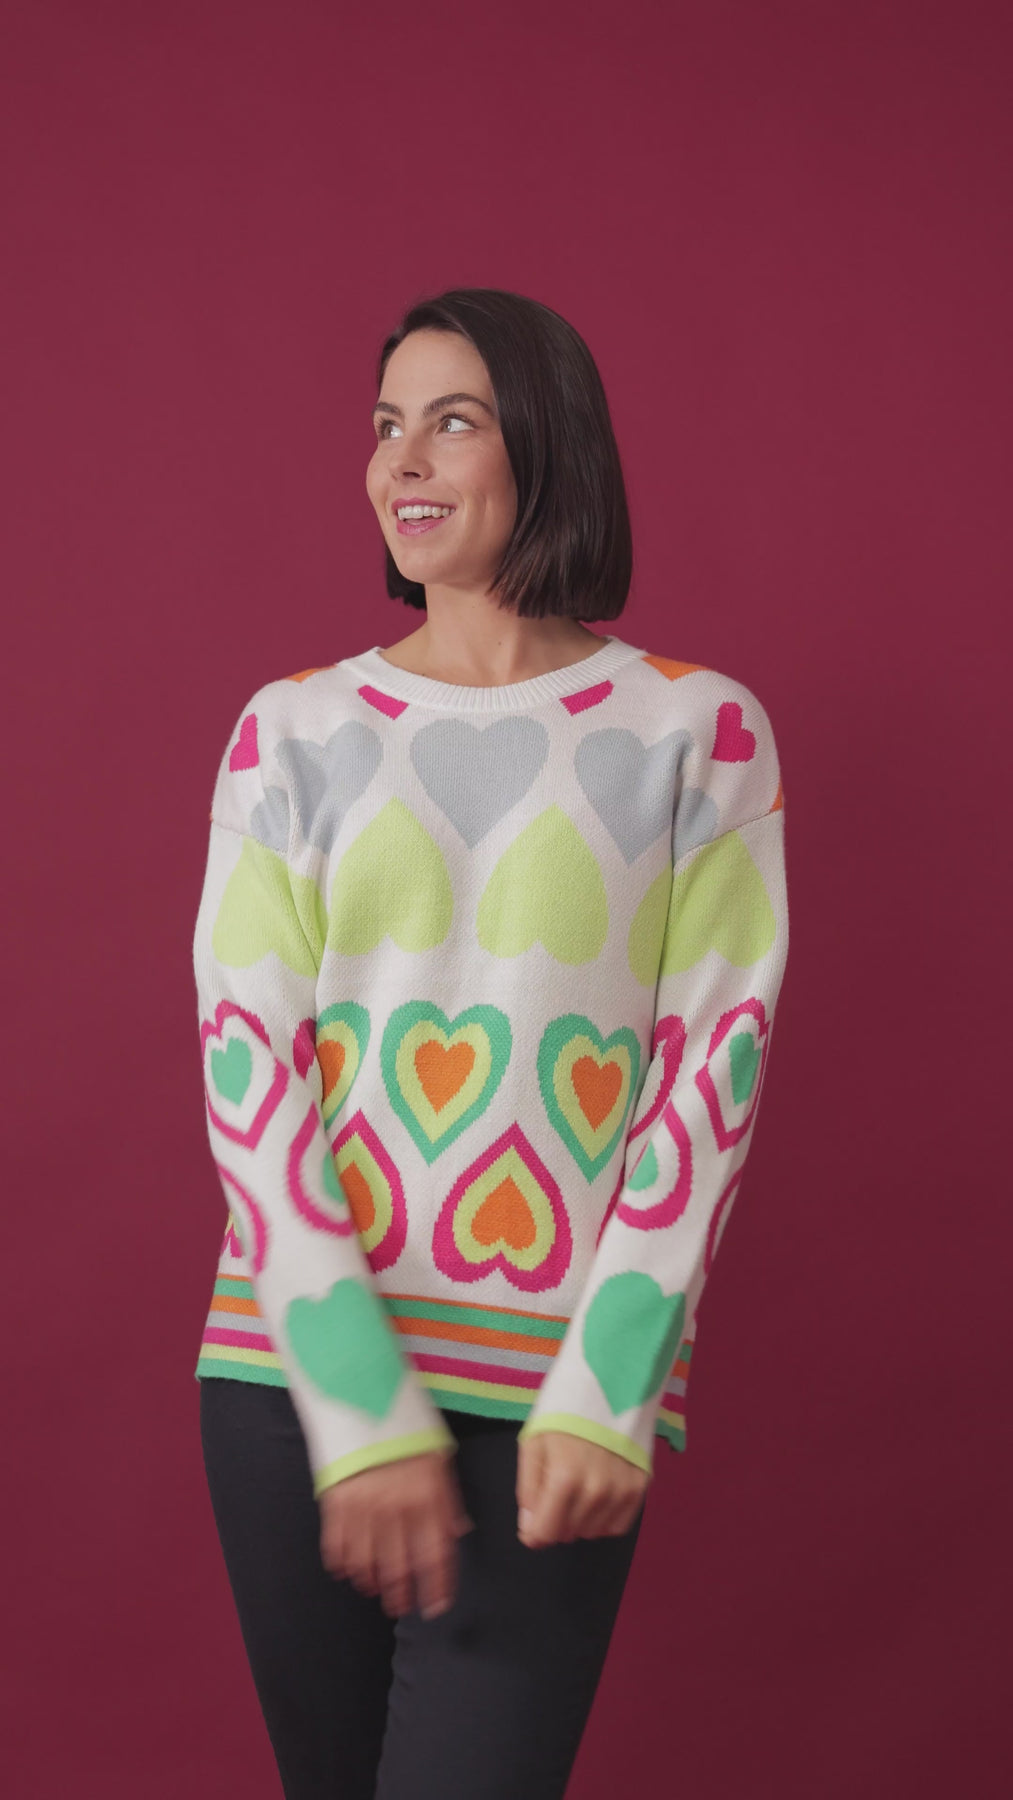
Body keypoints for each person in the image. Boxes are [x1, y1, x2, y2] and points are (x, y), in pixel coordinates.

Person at [192, 286, 790, 1799]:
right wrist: (357, 1407)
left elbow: (709, 1078)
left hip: (548, 1405)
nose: (402, 460)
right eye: (385, 424)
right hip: (290, 1386)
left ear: (546, 444)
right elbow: (249, 1070)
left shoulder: (697, 732)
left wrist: (612, 1385)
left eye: (450, 421)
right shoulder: (289, 732)